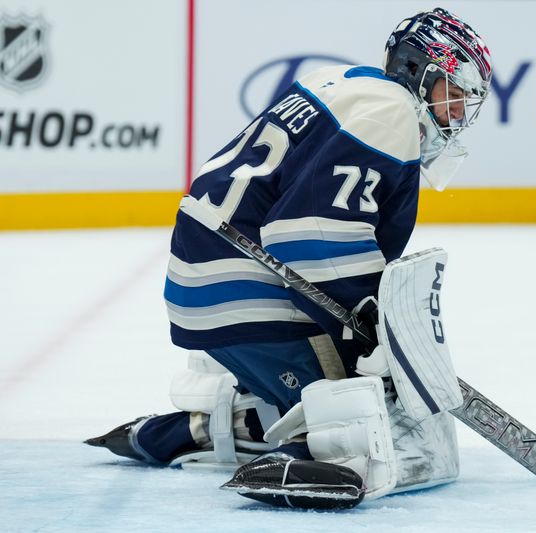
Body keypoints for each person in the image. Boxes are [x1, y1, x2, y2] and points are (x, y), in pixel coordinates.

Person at [86, 7, 492, 508]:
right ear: (417, 70)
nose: (457, 110)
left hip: (209, 273)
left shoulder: (341, 82)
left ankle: (187, 431)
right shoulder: (392, 114)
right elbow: (307, 233)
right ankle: (305, 451)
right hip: (240, 285)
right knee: (365, 414)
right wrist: (371, 318)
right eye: (454, 90)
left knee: (359, 387)